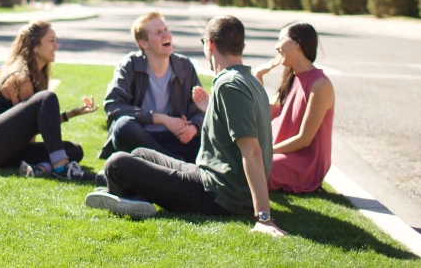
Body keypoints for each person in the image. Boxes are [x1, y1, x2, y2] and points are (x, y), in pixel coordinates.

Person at [86, 16, 287, 238]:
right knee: (140, 154)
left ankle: (127, 193)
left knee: (117, 163)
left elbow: (252, 150)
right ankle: (132, 192)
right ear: (242, 46)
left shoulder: (228, 84)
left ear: (209, 44)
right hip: (210, 178)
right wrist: (208, 107)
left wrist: (264, 217)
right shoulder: (246, 80)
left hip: (218, 196)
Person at [0, 21, 97, 179]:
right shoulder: (21, 77)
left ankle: (41, 168)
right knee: (47, 98)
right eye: (51, 41)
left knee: (74, 149)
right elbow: (30, 130)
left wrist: (71, 114)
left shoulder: (38, 75)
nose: (57, 46)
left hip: (5, 151)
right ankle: (61, 169)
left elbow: (37, 126)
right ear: (35, 47)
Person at [98, 12, 205, 165]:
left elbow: (199, 109)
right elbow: (114, 106)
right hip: (141, 138)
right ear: (144, 44)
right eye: (158, 32)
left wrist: (194, 127)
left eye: (166, 29)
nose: (166, 34)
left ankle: (164, 166)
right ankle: (177, 165)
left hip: (175, 139)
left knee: (213, 137)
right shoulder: (129, 65)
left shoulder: (184, 66)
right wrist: (162, 120)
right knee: (122, 127)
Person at [254, 22, 334, 193]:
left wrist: (266, 152)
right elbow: (266, 114)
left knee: (250, 171)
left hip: (302, 164)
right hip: (278, 154)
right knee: (242, 163)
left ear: (296, 44)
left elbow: (304, 139)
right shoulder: (291, 76)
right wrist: (259, 76)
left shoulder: (320, 85)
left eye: (281, 39)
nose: (277, 46)